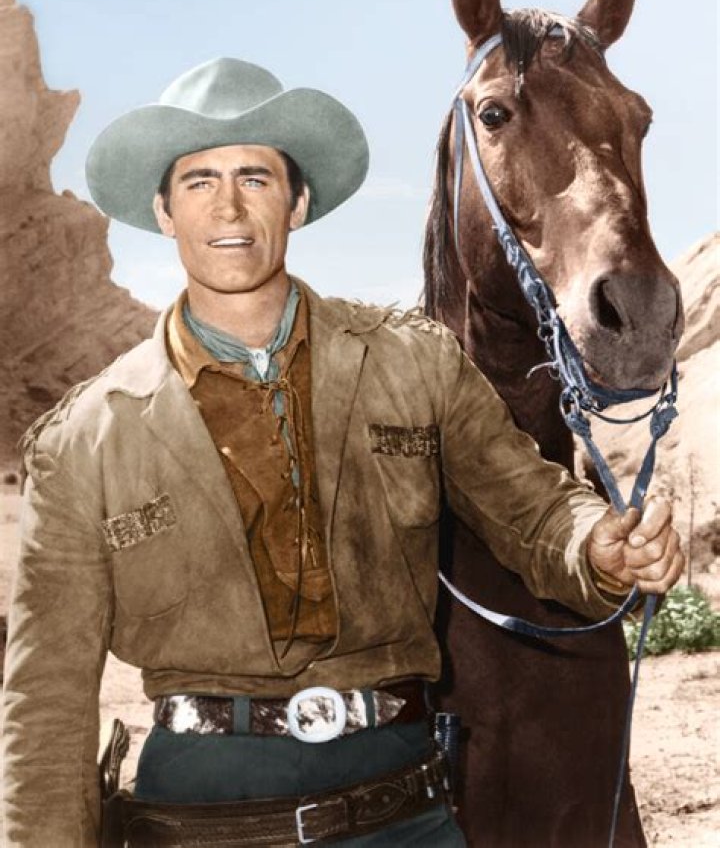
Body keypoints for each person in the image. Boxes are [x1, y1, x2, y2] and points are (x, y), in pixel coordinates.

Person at [2, 57, 683, 848]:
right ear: (163, 211)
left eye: (256, 177)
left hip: (401, 811)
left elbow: (531, 508)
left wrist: (598, 545)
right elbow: (46, 697)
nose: (229, 205)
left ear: (297, 202)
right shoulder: (84, 440)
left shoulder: (414, 363)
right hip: (200, 819)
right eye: (199, 180)